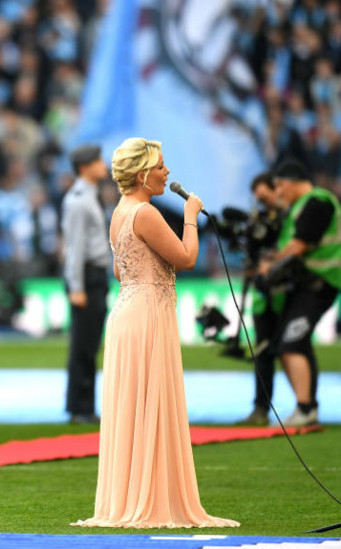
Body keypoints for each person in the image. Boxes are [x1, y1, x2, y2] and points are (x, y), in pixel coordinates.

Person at [72, 137, 238, 529]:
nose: (167, 172)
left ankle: (130, 495)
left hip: (128, 311)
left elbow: (119, 270)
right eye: (161, 166)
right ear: (143, 173)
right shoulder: (145, 213)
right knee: (152, 403)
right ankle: (152, 498)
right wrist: (191, 215)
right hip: (148, 315)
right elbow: (186, 257)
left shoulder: (119, 211)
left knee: (133, 406)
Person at [260, 159, 341, 427]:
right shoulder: (300, 207)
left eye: (278, 187)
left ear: (289, 182)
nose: (278, 194)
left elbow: (299, 245)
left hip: (320, 282)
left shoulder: (317, 201)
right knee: (287, 345)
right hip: (306, 285)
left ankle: (305, 408)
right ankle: (307, 406)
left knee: (292, 343)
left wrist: (272, 264)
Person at [60, 145, 110, 425]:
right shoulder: (78, 199)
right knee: (83, 345)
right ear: (84, 166)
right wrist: (75, 286)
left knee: (90, 344)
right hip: (87, 276)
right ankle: (79, 407)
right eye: (98, 161)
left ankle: (84, 405)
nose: (103, 165)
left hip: (95, 275)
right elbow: (74, 247)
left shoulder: (89, 195)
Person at [239, 172, 284, 426]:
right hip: (262, 294)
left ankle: (306, 404)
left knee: (292, 349)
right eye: (258, 198)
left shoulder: (289, 217)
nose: (261, 202)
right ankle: (260, 408)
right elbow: (250, 256)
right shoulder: (256, 221)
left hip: (286, 293)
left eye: (265, 197)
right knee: (263, 352)